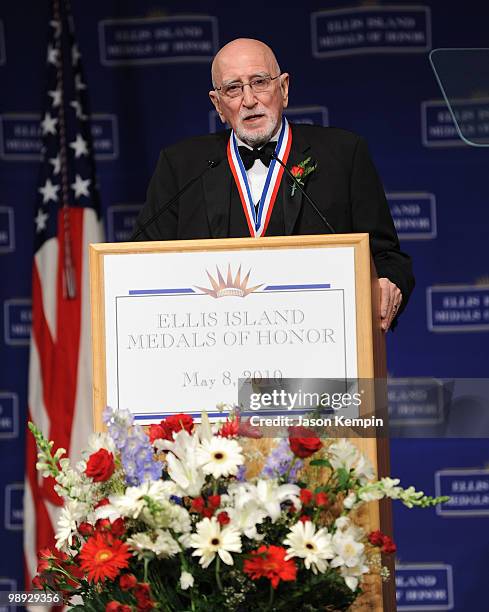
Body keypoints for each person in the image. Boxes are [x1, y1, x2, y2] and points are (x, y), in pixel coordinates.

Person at [132, 38, 414, 331]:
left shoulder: (343, 155)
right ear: (217, 104)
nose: (250, 100)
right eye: (233, 88)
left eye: (260, 82)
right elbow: (138, 263)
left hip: (321, 344)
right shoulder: (181, 166)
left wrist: (389, 283)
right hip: (212, 351)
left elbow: (387, 257)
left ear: (284, 89)